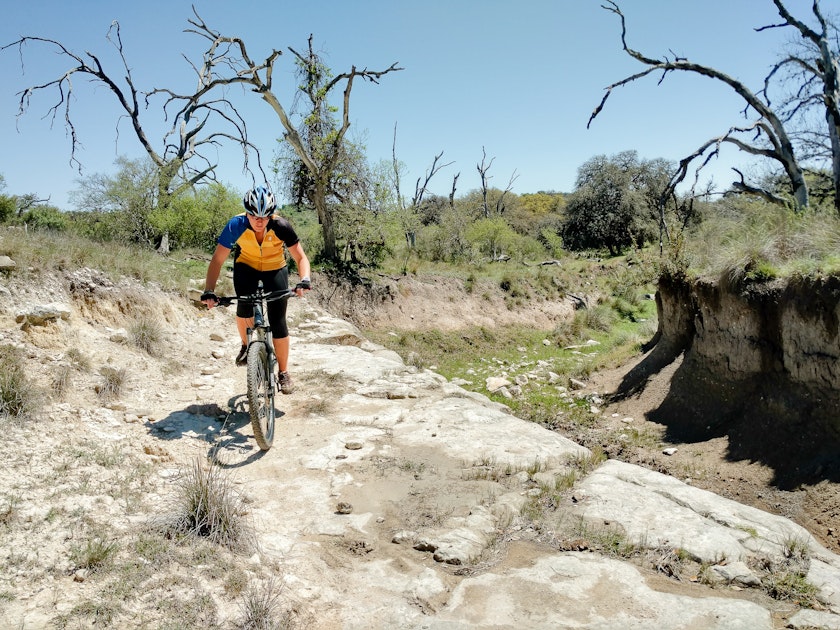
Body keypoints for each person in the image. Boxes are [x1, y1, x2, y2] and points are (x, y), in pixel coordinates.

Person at [200, 185, 311, 395]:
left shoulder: (281, 226)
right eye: (253, 215)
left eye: (264, 216)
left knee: (278, 321)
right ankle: (246, 345)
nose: (259, 221)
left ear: (271, 215)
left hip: (275, 269)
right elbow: (217, 260)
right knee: (244, 307)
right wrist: (209, 290)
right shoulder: (235, 225)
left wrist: (304, 279)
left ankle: (284, 372)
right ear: (247, 213)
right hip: (246, 267)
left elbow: (300, 257)